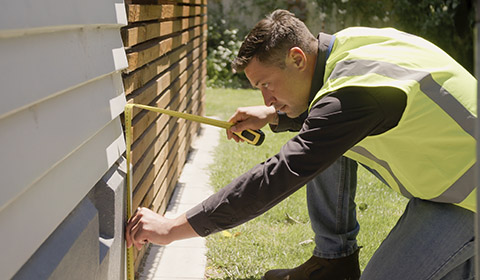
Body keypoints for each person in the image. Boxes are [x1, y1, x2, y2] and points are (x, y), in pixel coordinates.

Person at [126, 9, 477, 280]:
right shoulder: (346, 48)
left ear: (297, 58)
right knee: (322, 143)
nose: (267, 97)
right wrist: (273, 115)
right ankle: (334, 265)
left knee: (314, 148)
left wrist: (172, 229)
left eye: (267, 84)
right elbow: (334, 114)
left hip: (466, 203)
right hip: (452, 184)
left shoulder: (357, 93)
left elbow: (277, 176)